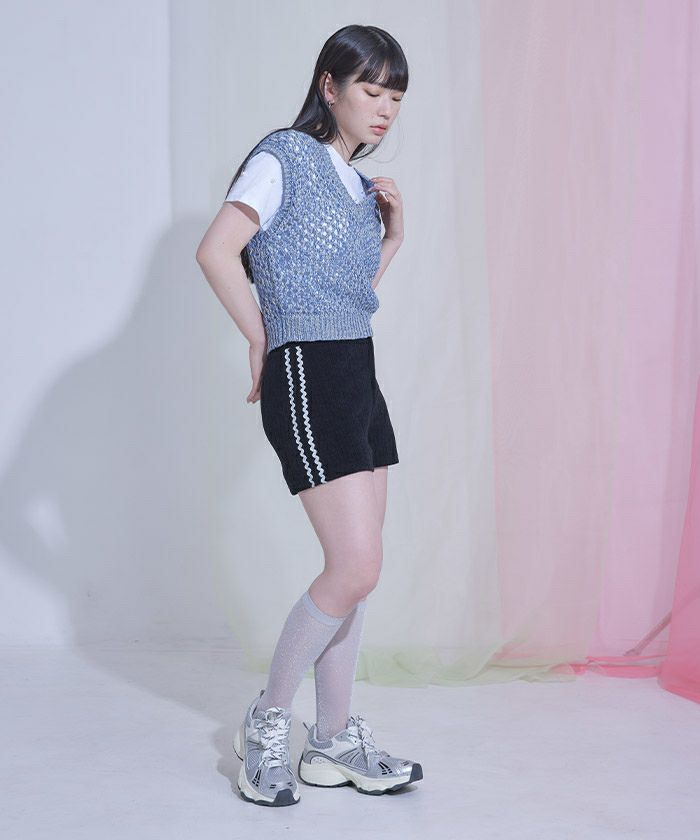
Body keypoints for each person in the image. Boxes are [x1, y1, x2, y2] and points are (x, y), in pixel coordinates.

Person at [196, 24, 422, 807]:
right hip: (307, 373)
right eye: (371, 90)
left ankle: (331, 741)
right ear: (330, 85)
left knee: (360, 574)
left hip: (357, 371)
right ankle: (268, 720)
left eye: (396, 97)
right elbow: (216, 251)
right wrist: (261, 337)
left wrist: (393, 236)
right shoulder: (284, 157)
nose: (384, 108)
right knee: (353, 566)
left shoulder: (357, 184)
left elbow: (345, 290)